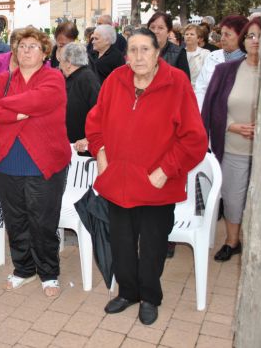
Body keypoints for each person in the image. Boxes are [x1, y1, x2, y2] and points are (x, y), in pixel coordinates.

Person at [85, 28, 207, 325]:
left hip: (156, 184)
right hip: (118, 181)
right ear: (126, 55)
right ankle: (128, 292)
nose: (138, 56)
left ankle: (150, 296)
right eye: (133, 50)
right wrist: (100, 152)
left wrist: (166, 170)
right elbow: (95, 121)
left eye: (145, 50)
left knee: (152, 245)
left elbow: (194, 139)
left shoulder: (176, 82)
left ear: (157, 54)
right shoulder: (115, 79)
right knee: (122, 242)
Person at [0, 26, 71, 298]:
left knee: (42, 221)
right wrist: (18, 114)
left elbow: (39, 100)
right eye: (21, 46)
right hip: (7, 161)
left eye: (33, 46)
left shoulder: (54, 79)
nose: (26, 50)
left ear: (45, 52)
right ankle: (23, 269)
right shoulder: (3, 79)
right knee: (16, 219)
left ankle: (49, 272)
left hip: (44, 162)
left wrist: (5, 107)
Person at [201, 17, 261, 262]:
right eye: (250, 35)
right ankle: (232, 241)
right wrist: (233, 126)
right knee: (233, 199)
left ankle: (259, 245)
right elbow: (211, 108)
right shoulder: (225, 71)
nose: (255, 40)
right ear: (243, 40)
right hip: (233, 147)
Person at [194, 15, 249, 108]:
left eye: (227, 35)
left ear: (241, 36)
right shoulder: (212, 56)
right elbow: (201, 88)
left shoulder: (250, 60)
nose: (222, 38)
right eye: (222, 34)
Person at [58, 42, 100, 155]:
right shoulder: (73, 78)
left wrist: (89, 139)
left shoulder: (86, 79)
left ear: (68, 63)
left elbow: (101, 112)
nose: (59, 65)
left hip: (83, 150)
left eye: (60, 61)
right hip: (71, 147)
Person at [147, 12, 190, 80]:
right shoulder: (140, 51)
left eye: (160, 28)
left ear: (169, 32)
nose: (155, 31)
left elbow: (184, 84)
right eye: (152, 27)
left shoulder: (178, 53)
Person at [183, 24, 211, 90]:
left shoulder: (205, 53)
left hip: (200, 90)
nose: (188, 36)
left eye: (192, 34)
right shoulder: (180, 53)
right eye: (186, 34)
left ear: (198, 38)